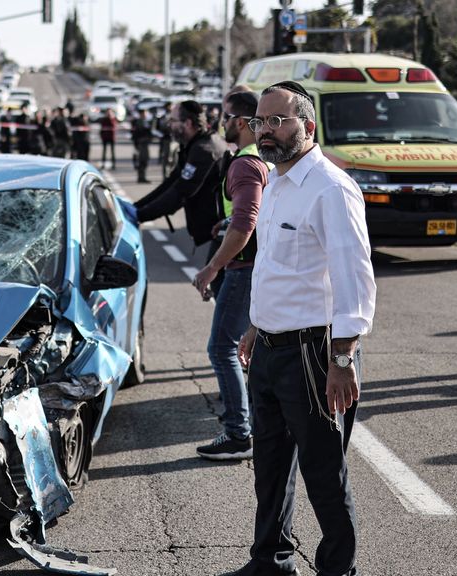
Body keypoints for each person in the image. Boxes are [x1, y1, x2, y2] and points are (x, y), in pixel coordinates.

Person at [230, 81, 376, 576]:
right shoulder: (274, 181)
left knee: (323, 474)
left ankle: (338, 570)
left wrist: (342, 360)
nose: (264, 131)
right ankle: (270, 562)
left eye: (276, 121)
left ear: (307, 127)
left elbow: (354, 279)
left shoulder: (331, 188)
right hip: (269, 349)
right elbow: (273, 267)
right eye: (258, 122)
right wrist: (255, 326)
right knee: (269, 468)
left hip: (316, 354)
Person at [190, 91, 269, 461]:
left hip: (243, 268)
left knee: (223, 348)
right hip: (254, 265)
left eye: (224, 117)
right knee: (248, 347)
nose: (220, 123)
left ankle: (239, 433)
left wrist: (213, 266)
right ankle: (256, 423)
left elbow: (246, 223)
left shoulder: (245, 164)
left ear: (239, 122)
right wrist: (224, 223)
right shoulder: (261, 159)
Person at [134, 100, 226, 248]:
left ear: (188, 123)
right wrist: (136, 208)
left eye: (173, 120)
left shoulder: (204, 149)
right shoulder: (196, 144)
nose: (169, 125)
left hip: (221, 231)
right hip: (217, 230)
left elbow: (181, 192)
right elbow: (172, 182)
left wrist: (139, 215)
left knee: (212, 270)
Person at [131, 108, 153, 183]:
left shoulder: (146, 122)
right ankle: (141, 177)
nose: (145, 115)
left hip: (145, 143)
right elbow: (136, 134)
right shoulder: (139, 122)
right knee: (142, 160)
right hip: (141, 144)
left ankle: (142, 177)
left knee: (145, 160)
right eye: (144, 113)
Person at [157, 102, 174, 177]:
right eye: (170, 106)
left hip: (175, 140)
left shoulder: (176, 116)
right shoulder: (162, 116)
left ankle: (172, 176)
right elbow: (157, 128)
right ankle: (165, 175)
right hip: (166, 139)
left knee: (174, 159)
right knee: (166, 158)